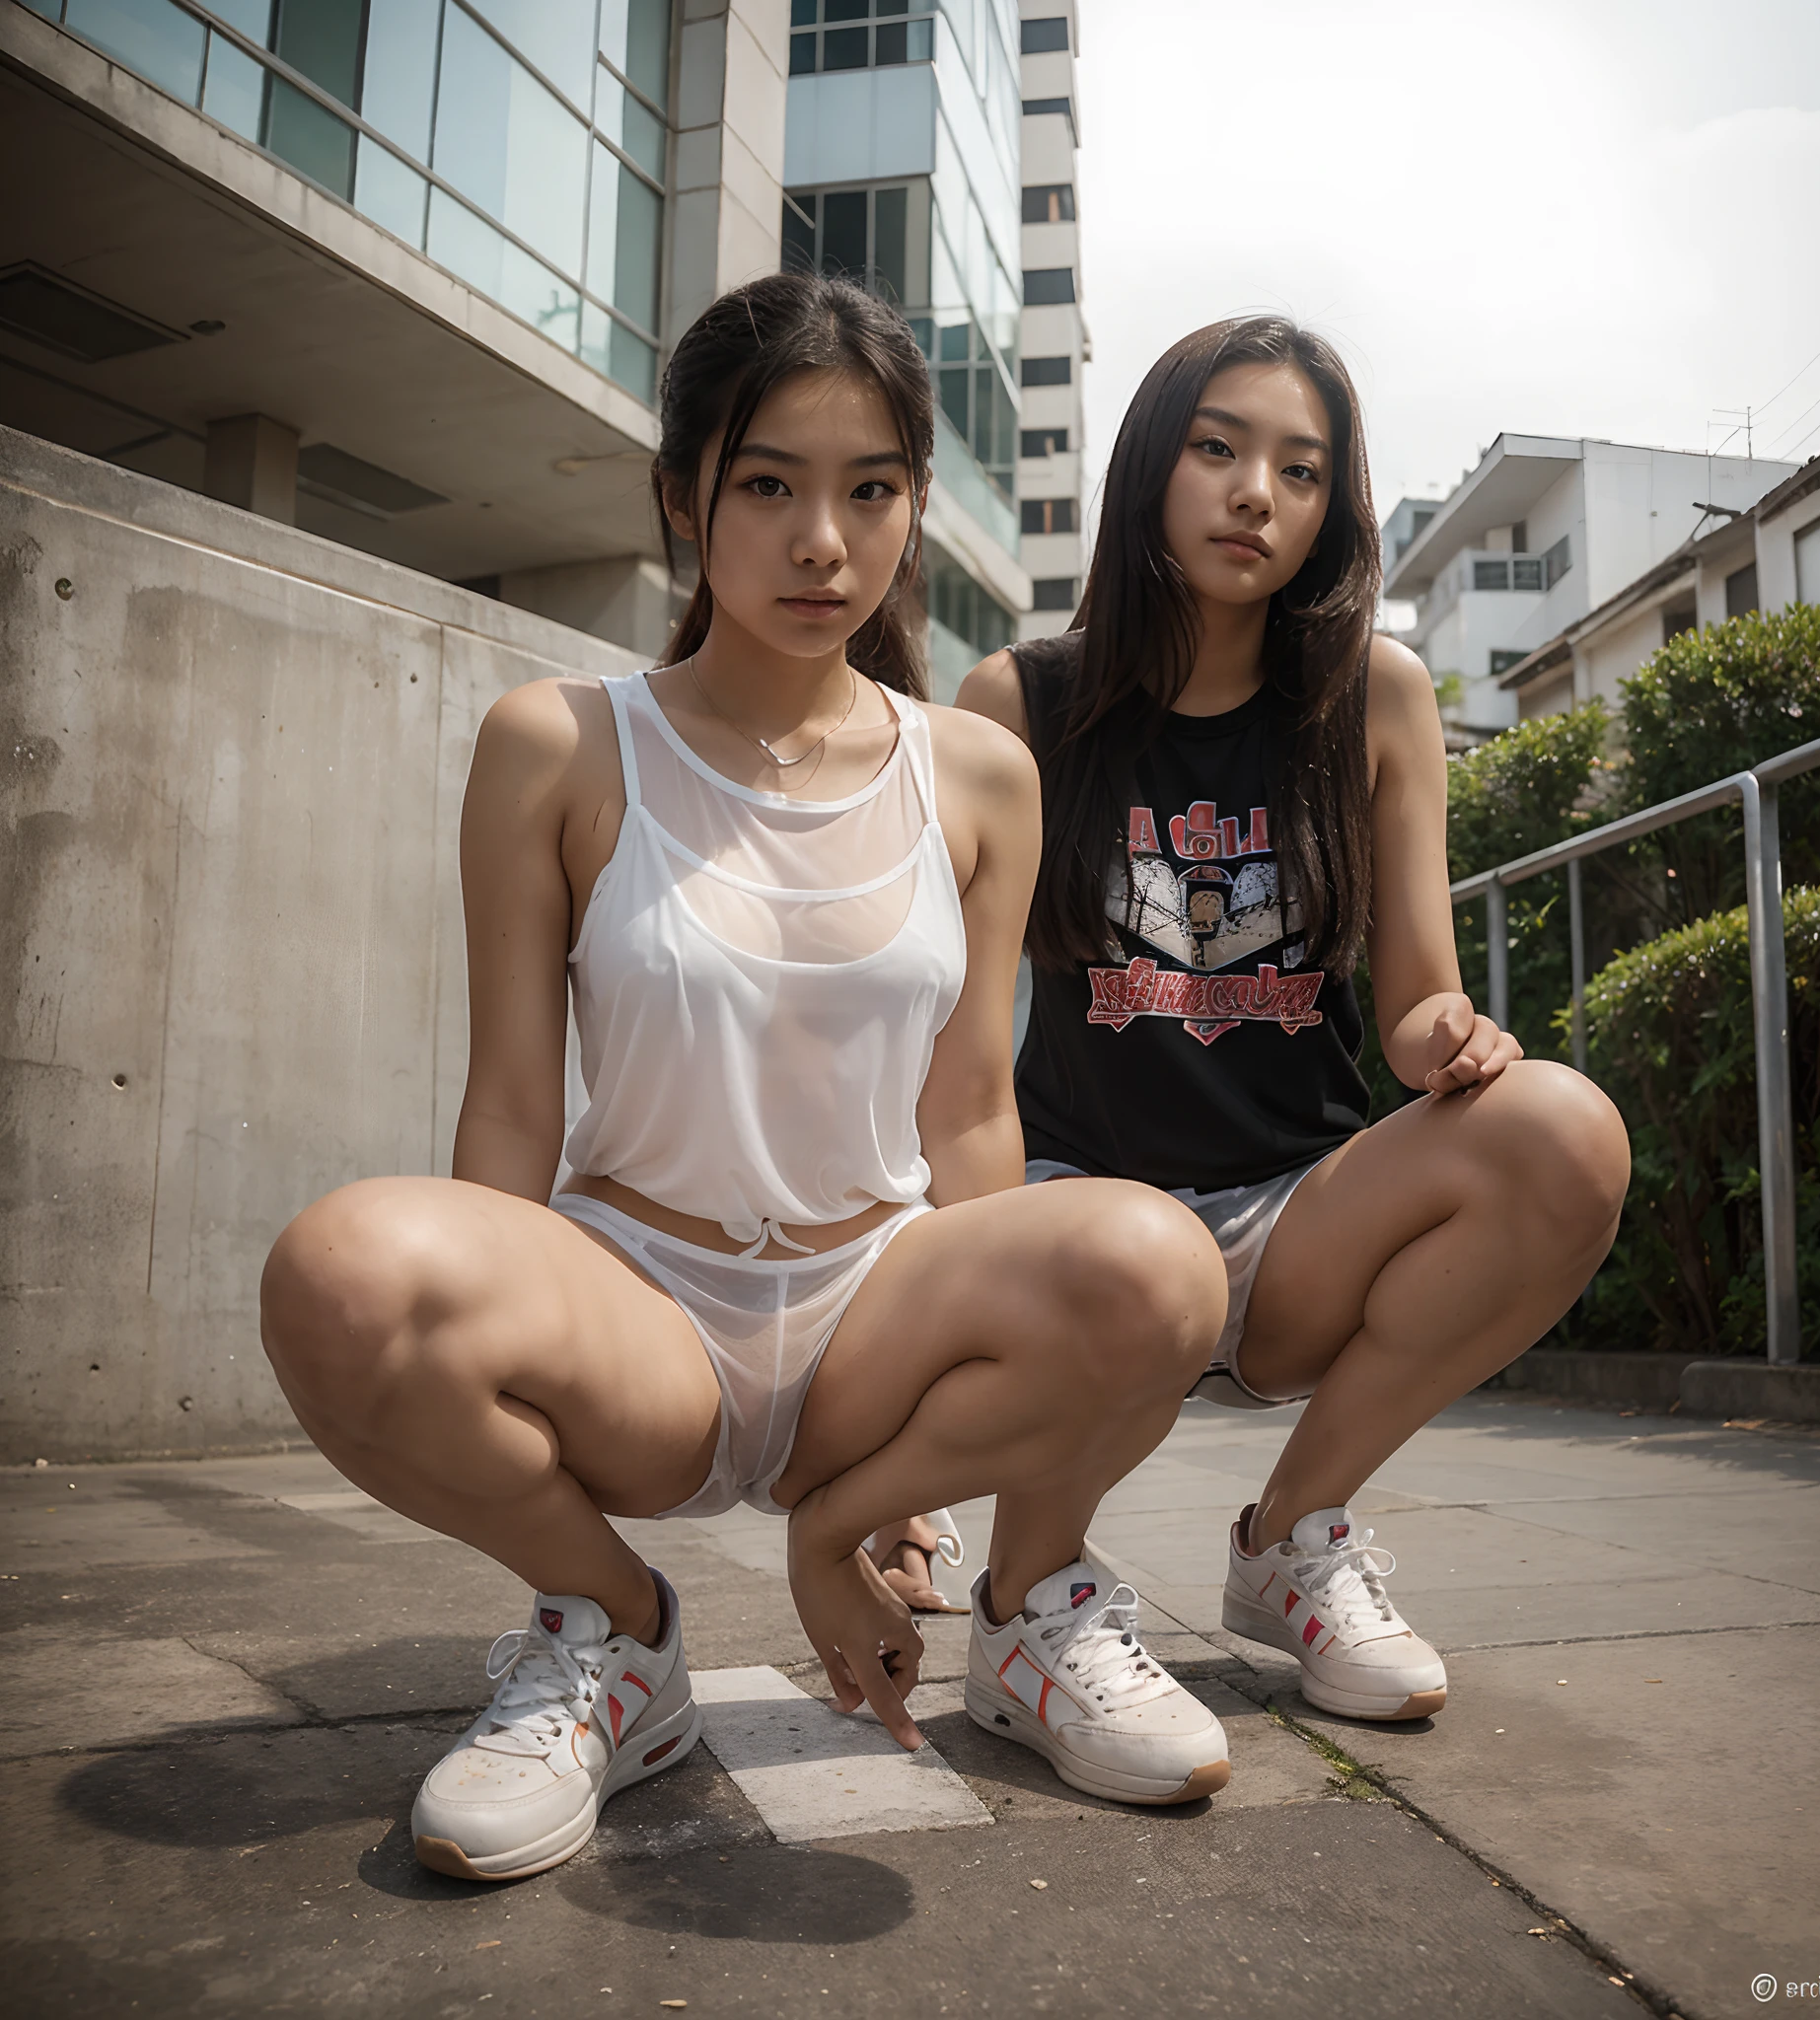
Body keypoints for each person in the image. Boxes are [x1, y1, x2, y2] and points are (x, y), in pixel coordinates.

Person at [258, 274, 1236, 1884]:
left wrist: (909, 1483)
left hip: (878, 1310)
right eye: (769, 484)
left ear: (916, 508)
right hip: (641, 1312)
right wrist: (467, 1327)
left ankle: (992, 1602)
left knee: (1153, 1261)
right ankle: (613, 1638)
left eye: (870, 491)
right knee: (343, 1273)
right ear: (680, 494)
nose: (821, 542)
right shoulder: (560, 745)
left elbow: (974, 1113)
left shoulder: (978, 769)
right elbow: (511, 1100)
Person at [931, 315, 1633, 1722]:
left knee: (1564, 1131)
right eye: (1218, 448)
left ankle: (1292, 1542)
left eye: (1300, 471)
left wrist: (1452, 1040)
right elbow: (949, 1033)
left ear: (1330, 509)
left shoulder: (1374, 694)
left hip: (1293, 1217)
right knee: (1107, 1247)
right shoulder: (1020, 702)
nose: (1257, 492)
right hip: (1085, 1217)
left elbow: (1418, 995)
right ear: (1152, 468)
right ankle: (1026, 1614)